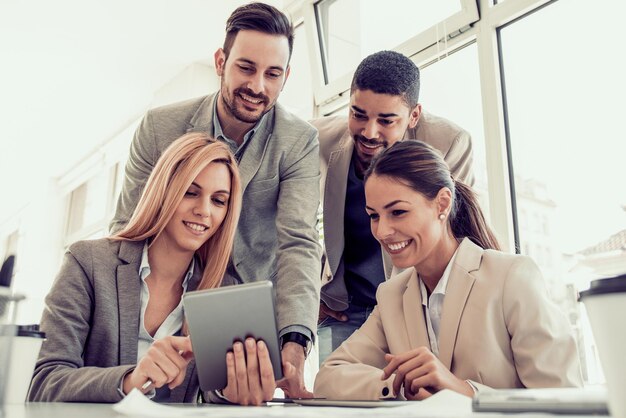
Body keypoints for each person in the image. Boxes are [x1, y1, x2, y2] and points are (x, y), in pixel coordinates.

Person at [109, 3, 321, 396]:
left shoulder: (299, 141)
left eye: (273, 74)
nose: (258, 86)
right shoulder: (160, 128)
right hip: (168, 293)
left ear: (285, 76)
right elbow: (128, 226)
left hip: (245, 307)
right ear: (221, 61)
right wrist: (115, 326)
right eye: (246, 67)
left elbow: (299, 243)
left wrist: (295, 341)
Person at [314, 140, 583, 400]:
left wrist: (461, 390)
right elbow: (328, 377)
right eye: (374, 215)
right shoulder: (392, 295)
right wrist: (399, 384)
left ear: (442, 204)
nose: (382, 231)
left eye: (397, 212)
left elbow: (563, 399)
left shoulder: (511, 278)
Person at [29, 133, 279, 405]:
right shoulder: (88, 262)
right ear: (164, 191)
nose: (204, 211)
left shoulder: (225, 291)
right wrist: (131, 381)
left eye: (219, 201)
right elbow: (44, 382)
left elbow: (207, 398)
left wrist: (229, 393)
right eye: (190, 192)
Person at [310, 50, 474, 361]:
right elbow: (293, 226)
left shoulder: (449, 144)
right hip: (344, 307)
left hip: (416, 299)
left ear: (414, 116)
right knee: (340, 397)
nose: (369, 132)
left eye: (386, 120)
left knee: (415, 398)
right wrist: (309, 294)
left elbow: (453, 231)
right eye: (358, 114)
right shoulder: (316, 140)